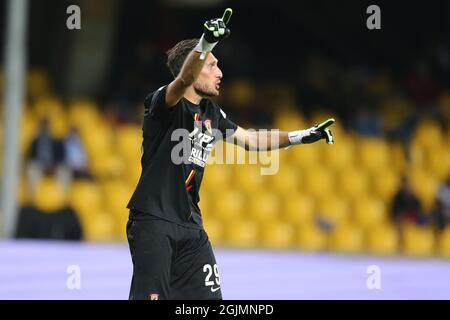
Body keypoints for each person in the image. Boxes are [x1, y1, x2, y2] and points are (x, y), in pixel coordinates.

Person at [126, 8, 335, 300]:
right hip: (154, 223)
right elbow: (184, 80)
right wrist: (205, 43)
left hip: (191, 227)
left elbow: (251, 139)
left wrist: (301, 135)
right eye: (212, 65)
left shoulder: (211, 112)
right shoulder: (164, 103)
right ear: (195, 66)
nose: (220, 72)